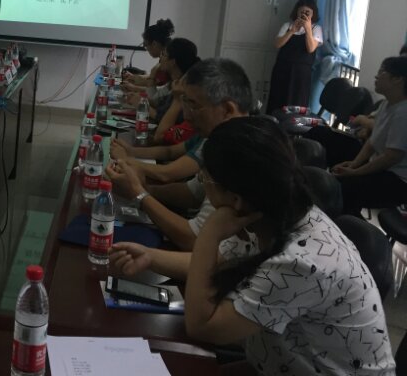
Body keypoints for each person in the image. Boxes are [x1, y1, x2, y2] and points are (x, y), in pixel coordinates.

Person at [113, 117, 396, 375]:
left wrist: (210, 233)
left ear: (235, 198)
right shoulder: (272, 214)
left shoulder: (301, 261)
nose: (203, 184)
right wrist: (150, 257)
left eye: (205, 179)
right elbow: (216, 261)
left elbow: (203, 326)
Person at [107, 58, 251, 250]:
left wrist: (138, 194)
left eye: (194, 105)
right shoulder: (215, 139)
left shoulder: (244, 153)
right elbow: (193, 193)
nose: (187, 116)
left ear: (227, 110)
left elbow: (196, 239)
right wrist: (145, 188)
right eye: (184, 103)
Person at [332, 56, 407, 216]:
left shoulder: (403, 113)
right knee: (339, 171)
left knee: (345, 187)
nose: (376, 76)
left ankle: (347, 225)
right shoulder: (387, 104)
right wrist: (354, 164)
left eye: (382, 72)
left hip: (398, 180)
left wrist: (355, 172)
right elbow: (373, 141)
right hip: (384, 168)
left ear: (398, 79)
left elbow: (391, 157)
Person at [266, 0, 323, 113]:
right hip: (282, 69)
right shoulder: (287, 25)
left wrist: (307, 29)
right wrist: (292, 31)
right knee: (277, 100)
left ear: (313, 14)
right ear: (297, 12)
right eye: (301, 11)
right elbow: (277, 44)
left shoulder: (316, 29)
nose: (304, 15)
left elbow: (311, 48)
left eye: (307, 12)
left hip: (301, 74)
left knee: (297, 103)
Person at [151, 38, 199, 145]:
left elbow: (161, 133)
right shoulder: (174, 82)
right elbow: (158, 104)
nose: (160, 59)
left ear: (173, 62)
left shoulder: (183, 89)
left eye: (163, 54)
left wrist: (144, 106)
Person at [122, 18, 174, 90]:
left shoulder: (168, 60)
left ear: (154, 44)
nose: (146, 49)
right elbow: (155, 78)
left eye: (146, 45)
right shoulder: (165, 55)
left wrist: (134, 88)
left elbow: (160, 89)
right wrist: (133, 77)